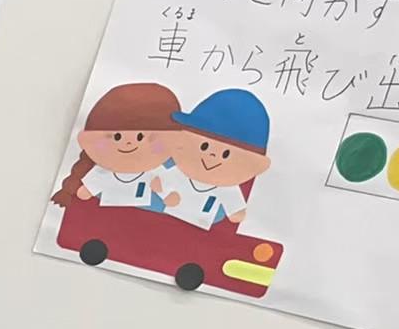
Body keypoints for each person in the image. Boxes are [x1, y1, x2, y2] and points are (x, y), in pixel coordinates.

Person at [50, 82, 183, 212]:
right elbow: (85, 192)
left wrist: (163, 192)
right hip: (108, 212)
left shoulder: (153, 173)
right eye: (117, 137)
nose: (129, 143)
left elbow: (171, 197)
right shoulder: (102, 172)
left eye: (140, 137)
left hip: (142, 213)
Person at [158, 88, 273, 229]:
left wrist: (235, 211)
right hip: (167, 218)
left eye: (226, 154)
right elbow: (157, 182)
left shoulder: (227, 188)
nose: (211, 156)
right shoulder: (178, 173)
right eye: (204, 146)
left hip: (200, 225)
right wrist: (166, 195)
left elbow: (236, 211)